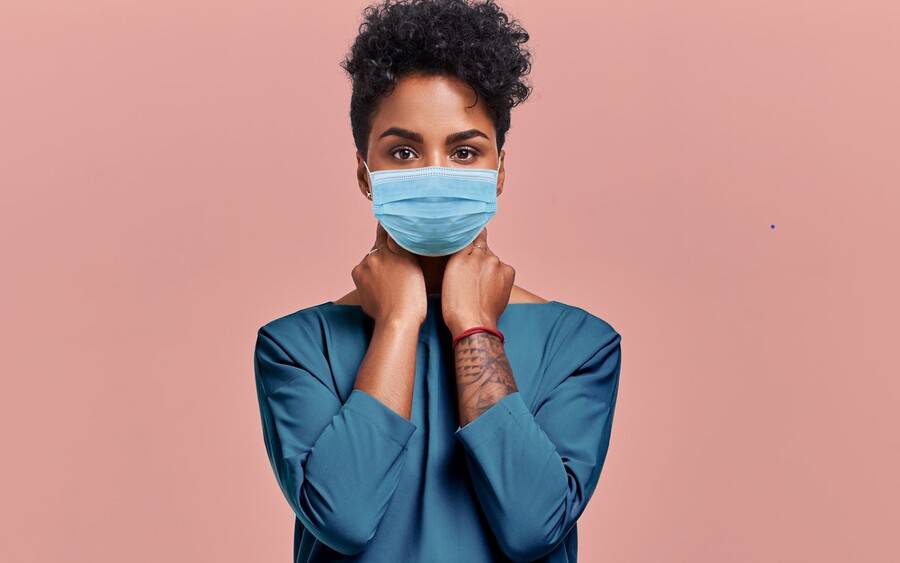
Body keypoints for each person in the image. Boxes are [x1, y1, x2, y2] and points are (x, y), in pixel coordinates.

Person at [253, 1, 623, 561]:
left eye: (464, 151)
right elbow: (345, 518)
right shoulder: (296, 347)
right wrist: (400, 321)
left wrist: (472, 325)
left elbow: (531, 529)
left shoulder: (578, 345)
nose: (434, 172)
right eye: (403, 151)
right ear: (364, 172)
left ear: (499, 171)